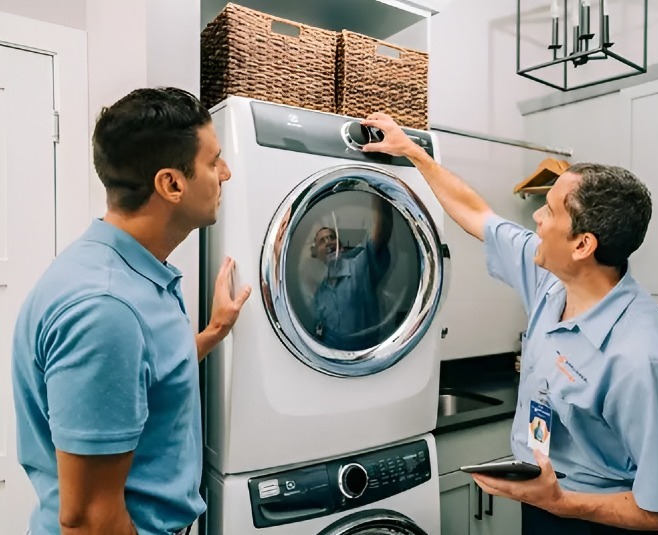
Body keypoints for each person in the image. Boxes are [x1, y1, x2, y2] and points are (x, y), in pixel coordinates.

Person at [360, 113, 658, 534]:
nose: (537, 218)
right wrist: (412, 152)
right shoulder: (551, 279)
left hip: (603, 520)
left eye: (551, 211)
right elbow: (477, 213)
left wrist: (563, 505)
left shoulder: (641, 360)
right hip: (546, 503)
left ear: (582, 244)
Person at [12, 87, 252, 535]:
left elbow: (145, 380)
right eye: (213, 161)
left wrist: (214, 331)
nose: (226, 173)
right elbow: (88, 521)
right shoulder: (106, 310)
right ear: (172, 183)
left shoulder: (130, 270)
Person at [309, 196, 393, 350]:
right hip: (330, 362)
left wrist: (377, 189)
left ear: (340, 245)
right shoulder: (320, 293)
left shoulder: (359, 267)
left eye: (332, 237)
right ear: (316, 253)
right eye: (322, 241)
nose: (328, 241)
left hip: (365, 359)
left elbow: (382, 233)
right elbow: (319, 331)